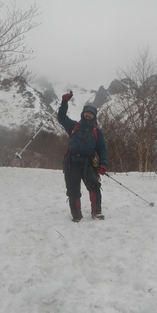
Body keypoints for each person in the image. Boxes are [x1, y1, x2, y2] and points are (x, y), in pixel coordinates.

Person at [57, 92, 108, 222]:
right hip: (71, 162)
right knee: (73, 191)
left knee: (94, 187)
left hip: (88, 163)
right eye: (86, 112)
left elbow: (102, 149)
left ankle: (96, 212)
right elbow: (61, 117)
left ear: (94, 116)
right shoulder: (74, 126)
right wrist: (64, 102)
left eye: (91, 113)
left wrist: (103, 164)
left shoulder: (97, 132)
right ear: (83, 113)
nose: (88, 115)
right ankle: (76, 215)